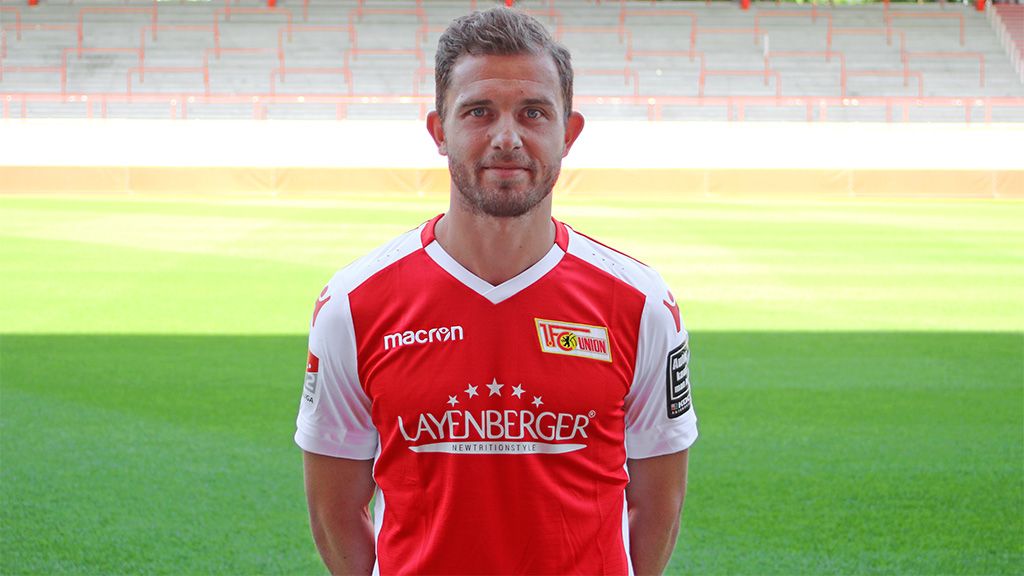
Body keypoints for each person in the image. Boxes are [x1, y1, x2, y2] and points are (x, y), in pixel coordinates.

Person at [295, 7, 697, 575]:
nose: (507, 138)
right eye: (479, 112)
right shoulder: (354, 305)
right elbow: (333, 508)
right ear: (439, 130)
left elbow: (659, 503)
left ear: (569, 132)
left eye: (534, 113)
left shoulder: (640, 304)